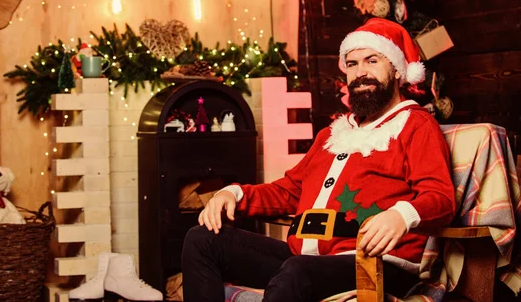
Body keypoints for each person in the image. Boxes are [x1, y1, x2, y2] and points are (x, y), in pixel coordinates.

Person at [181, 18, 456, 302]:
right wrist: (234, 193)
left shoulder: (416, 125)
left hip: (372, 263)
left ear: (398, 70)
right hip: (303, 259)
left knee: (296, 272)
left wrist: (402, 214)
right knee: (201, 240)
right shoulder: (333, 133)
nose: (360, 73)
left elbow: (441, 197)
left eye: (372, 61)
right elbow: (290, 190)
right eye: (352, 64)